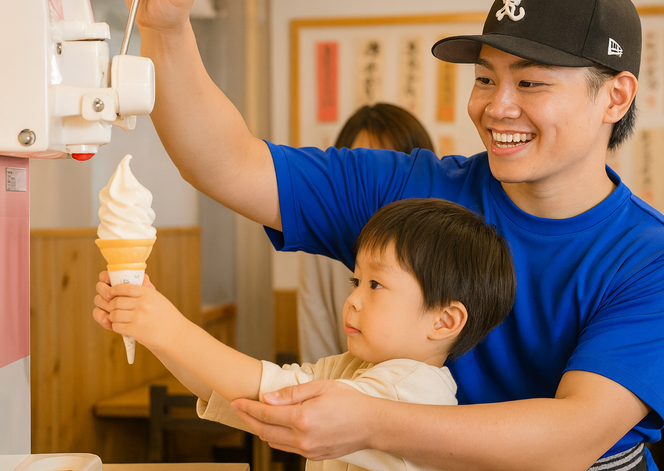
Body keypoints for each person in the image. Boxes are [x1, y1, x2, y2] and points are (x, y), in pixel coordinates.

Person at [118, 0, 664, 469]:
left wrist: (371, 421)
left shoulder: (658, 263)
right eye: (485, 79)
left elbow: (571, 439)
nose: (496, 107)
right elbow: (227, 165)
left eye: (530, 82)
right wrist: (167, 26)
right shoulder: (413, 195)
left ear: (615, 97)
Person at [93, 197, 516, 471]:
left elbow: (269, 393)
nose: (352, 300)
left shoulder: (411, 388)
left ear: (444, 321)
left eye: (375, 285)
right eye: (355, 282)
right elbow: (241, 396)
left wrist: (167, 327)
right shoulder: (355, 367)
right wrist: (151, 333)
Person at [298, 103, 435, 363]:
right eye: (362, 171)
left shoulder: (442, 245)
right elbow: (316, 342)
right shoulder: (324, 245)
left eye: (393, 169)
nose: (377, 185)